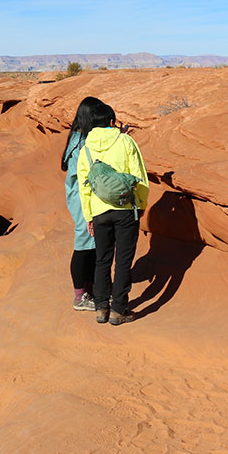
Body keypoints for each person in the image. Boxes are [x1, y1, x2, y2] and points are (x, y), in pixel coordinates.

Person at [77, 102, 149, 325]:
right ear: (110, 121)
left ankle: (101, 308)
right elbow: (139, 175)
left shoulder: (85, 149)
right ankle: (119, 309)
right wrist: (142, 204)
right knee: (123, 261)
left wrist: (89, 215)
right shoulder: (125, 140)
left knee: (102, 260)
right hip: (125, 208)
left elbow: (84, 186)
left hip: (99, 212)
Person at [60, 97, 107, 311]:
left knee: (92, 243)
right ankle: (80, 296)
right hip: (81, 198)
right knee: (83, 242)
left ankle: (90, 288)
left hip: (85, 197)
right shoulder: (80, 140)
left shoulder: (80, 137)